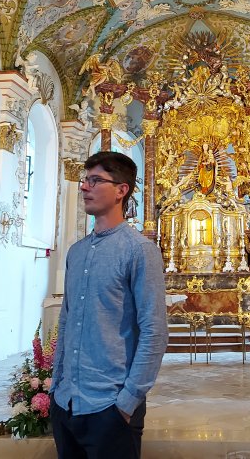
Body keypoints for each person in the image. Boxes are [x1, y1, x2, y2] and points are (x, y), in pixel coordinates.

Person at [51, 151, 168, 459]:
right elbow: (67, 319)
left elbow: (154, 331)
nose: (84, 187)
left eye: (95, 180)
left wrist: (127, 402)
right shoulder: (76, 252)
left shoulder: (139, 250)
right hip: (66, 403)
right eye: (84, 180)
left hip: (110, 406)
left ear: (121, 190)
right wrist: (56, 387)